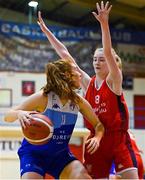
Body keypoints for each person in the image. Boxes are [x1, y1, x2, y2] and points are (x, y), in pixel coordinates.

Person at [37, 1, 138, 179]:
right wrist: (46, 32)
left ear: (111, 62)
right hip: (95, 141)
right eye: (94, 60)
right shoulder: (87, 82)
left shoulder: (115, 79)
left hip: (118, 140)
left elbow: (108, 51)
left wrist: (104, 24)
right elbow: (65, 54)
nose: (97, 62)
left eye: (101, 60)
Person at [4, 59, 104, 179]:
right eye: (76, 70)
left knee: (83, 177)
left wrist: (97, 138)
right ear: (67, 75)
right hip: (34, 154)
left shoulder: (78, 101)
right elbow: (7, 116)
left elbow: (98, 125)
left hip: (60, 155)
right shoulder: (44, 97)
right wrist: (19, 113)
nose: (80, 74)